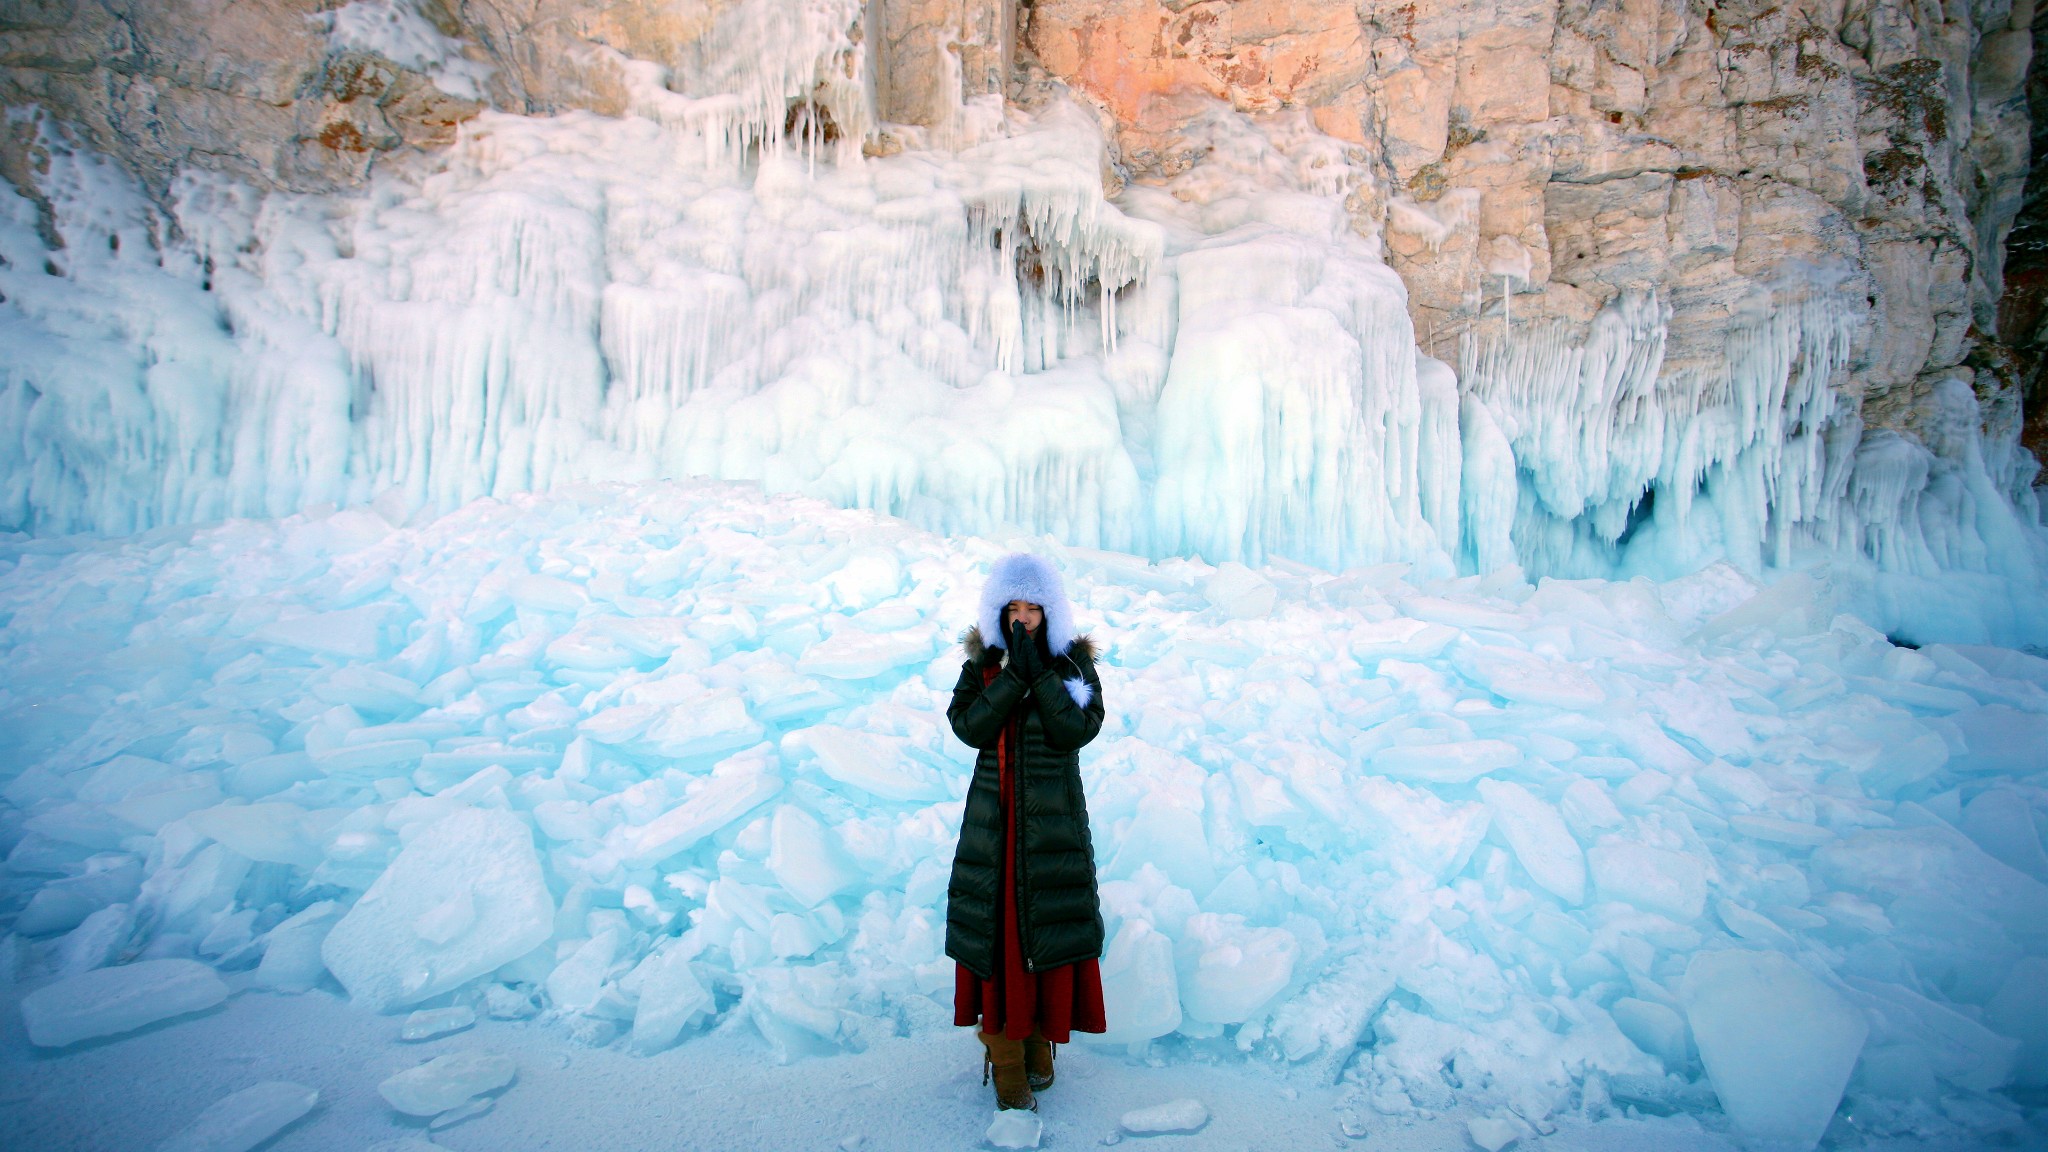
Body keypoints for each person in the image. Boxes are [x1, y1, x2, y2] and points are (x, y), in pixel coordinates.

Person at [945, 552, 1108, 1112]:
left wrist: (1037, 671)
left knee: (1045, 933)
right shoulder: (982, 665)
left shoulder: (1072, 666)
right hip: (995, 829)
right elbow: (969, 727)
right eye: (1011, 608)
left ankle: (1039, 1041)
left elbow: (1075, 730)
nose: (1022, 619)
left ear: (1049, 611)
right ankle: (1005, 1057)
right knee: (1000, 935)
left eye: (1032, 608)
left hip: (1050, 827)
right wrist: (1012, 673)